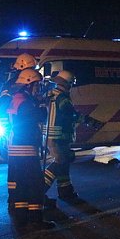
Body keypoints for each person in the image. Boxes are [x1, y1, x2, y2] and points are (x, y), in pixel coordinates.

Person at [7, 68, 53, 229]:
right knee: (35, 184)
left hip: (16, 148)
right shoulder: (26, 103)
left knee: (22, 183)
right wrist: (42, 104)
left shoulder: (17, 98)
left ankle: (22, 216)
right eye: (36, 85)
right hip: (25, 147)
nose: (38, 89)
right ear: (28, 85)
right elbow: (40, 116)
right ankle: (35, 219)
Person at [42, 70, 80, 202]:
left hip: (50, 135)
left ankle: (65, 190)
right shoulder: (62, 98)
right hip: (58, 136)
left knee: (64, 163)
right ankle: (39, 190)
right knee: (58, 162)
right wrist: (90, 121)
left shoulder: (49, 94)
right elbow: (72, 114)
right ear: (68, 84)